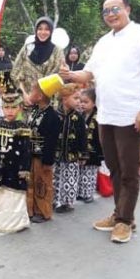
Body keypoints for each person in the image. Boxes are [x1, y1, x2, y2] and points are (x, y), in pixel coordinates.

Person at [60, 0, 140, 243]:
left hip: (131, 115)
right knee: (114, 168)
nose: (111, 14)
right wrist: (70, 75)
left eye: (115, 9)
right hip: (106, 115)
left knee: (129, 171)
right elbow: (89, 73)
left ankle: (126, 221)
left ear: (127, 8)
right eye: (105, 11)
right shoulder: (104, 42)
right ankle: (120, 214)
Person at [0, 70, 32, 233]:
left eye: (13, 107)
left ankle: (16, 223)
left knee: (14, 196)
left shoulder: (23, 128)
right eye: (6, 107)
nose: (10, 111)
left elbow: (26, 151)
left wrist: (25, 169)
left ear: (20, 108)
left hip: (15, 169)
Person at [25, 75, 62, 223]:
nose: (30, 93)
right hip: (31, 154)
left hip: (43, 157)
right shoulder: (34, 111)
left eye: (32, 91)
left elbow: (52, 141)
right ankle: (30, 209)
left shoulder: (52, 116)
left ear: (40, 96)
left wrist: (48, 161)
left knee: (42, 183)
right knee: (30, 182)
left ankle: (43, 211)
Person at [53, 84, 86, 213]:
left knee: (69, 177)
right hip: (56, 153)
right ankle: (53, 200)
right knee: (55, 177)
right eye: (76, 98)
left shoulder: (78, 117)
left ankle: (66, 203)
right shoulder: (56, 115)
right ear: (64, 99)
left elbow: (82, 137)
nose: (79, 101)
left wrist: (82, 154)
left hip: (71, 155)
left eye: (79, 98)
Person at [12, 16, 65, 98]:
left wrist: (40, 95)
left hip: (47, 100)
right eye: (40, 29)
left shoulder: (57, 51)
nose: (43, 32)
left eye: (47, 29)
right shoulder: (27, 48)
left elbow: (58, 76)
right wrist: (24, 95)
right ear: (36, 30)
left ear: (51, 31)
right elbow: (15, 73)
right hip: (25, 99)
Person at [78, 88, 103, 199]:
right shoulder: (80, 115)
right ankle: (80, 192)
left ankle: (88, 194)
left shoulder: (98, 117)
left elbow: (99, 136)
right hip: (83, 149)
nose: (82, 104)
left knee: (89, 173)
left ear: (94, 103)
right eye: (81, 101)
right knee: (81, 172)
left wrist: (100, 152)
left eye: (86, 102)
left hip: (93, 150)